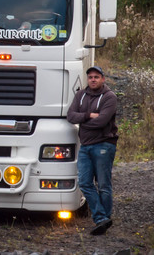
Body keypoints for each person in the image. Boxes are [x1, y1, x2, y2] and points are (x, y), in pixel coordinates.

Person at [67, 66, 118, 236]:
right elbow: (71, 116)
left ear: (103, 79)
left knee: (103, 185)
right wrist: (89, 115)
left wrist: (83, 123)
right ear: (87, 79)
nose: (93, 80)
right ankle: (102, 218)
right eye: (90, 77)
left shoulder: (109, 97)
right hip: (85, 146)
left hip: (104, 145)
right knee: (84, 183)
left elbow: (102, 121)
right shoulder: (81, 95)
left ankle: (104, 218)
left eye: (97, 77)